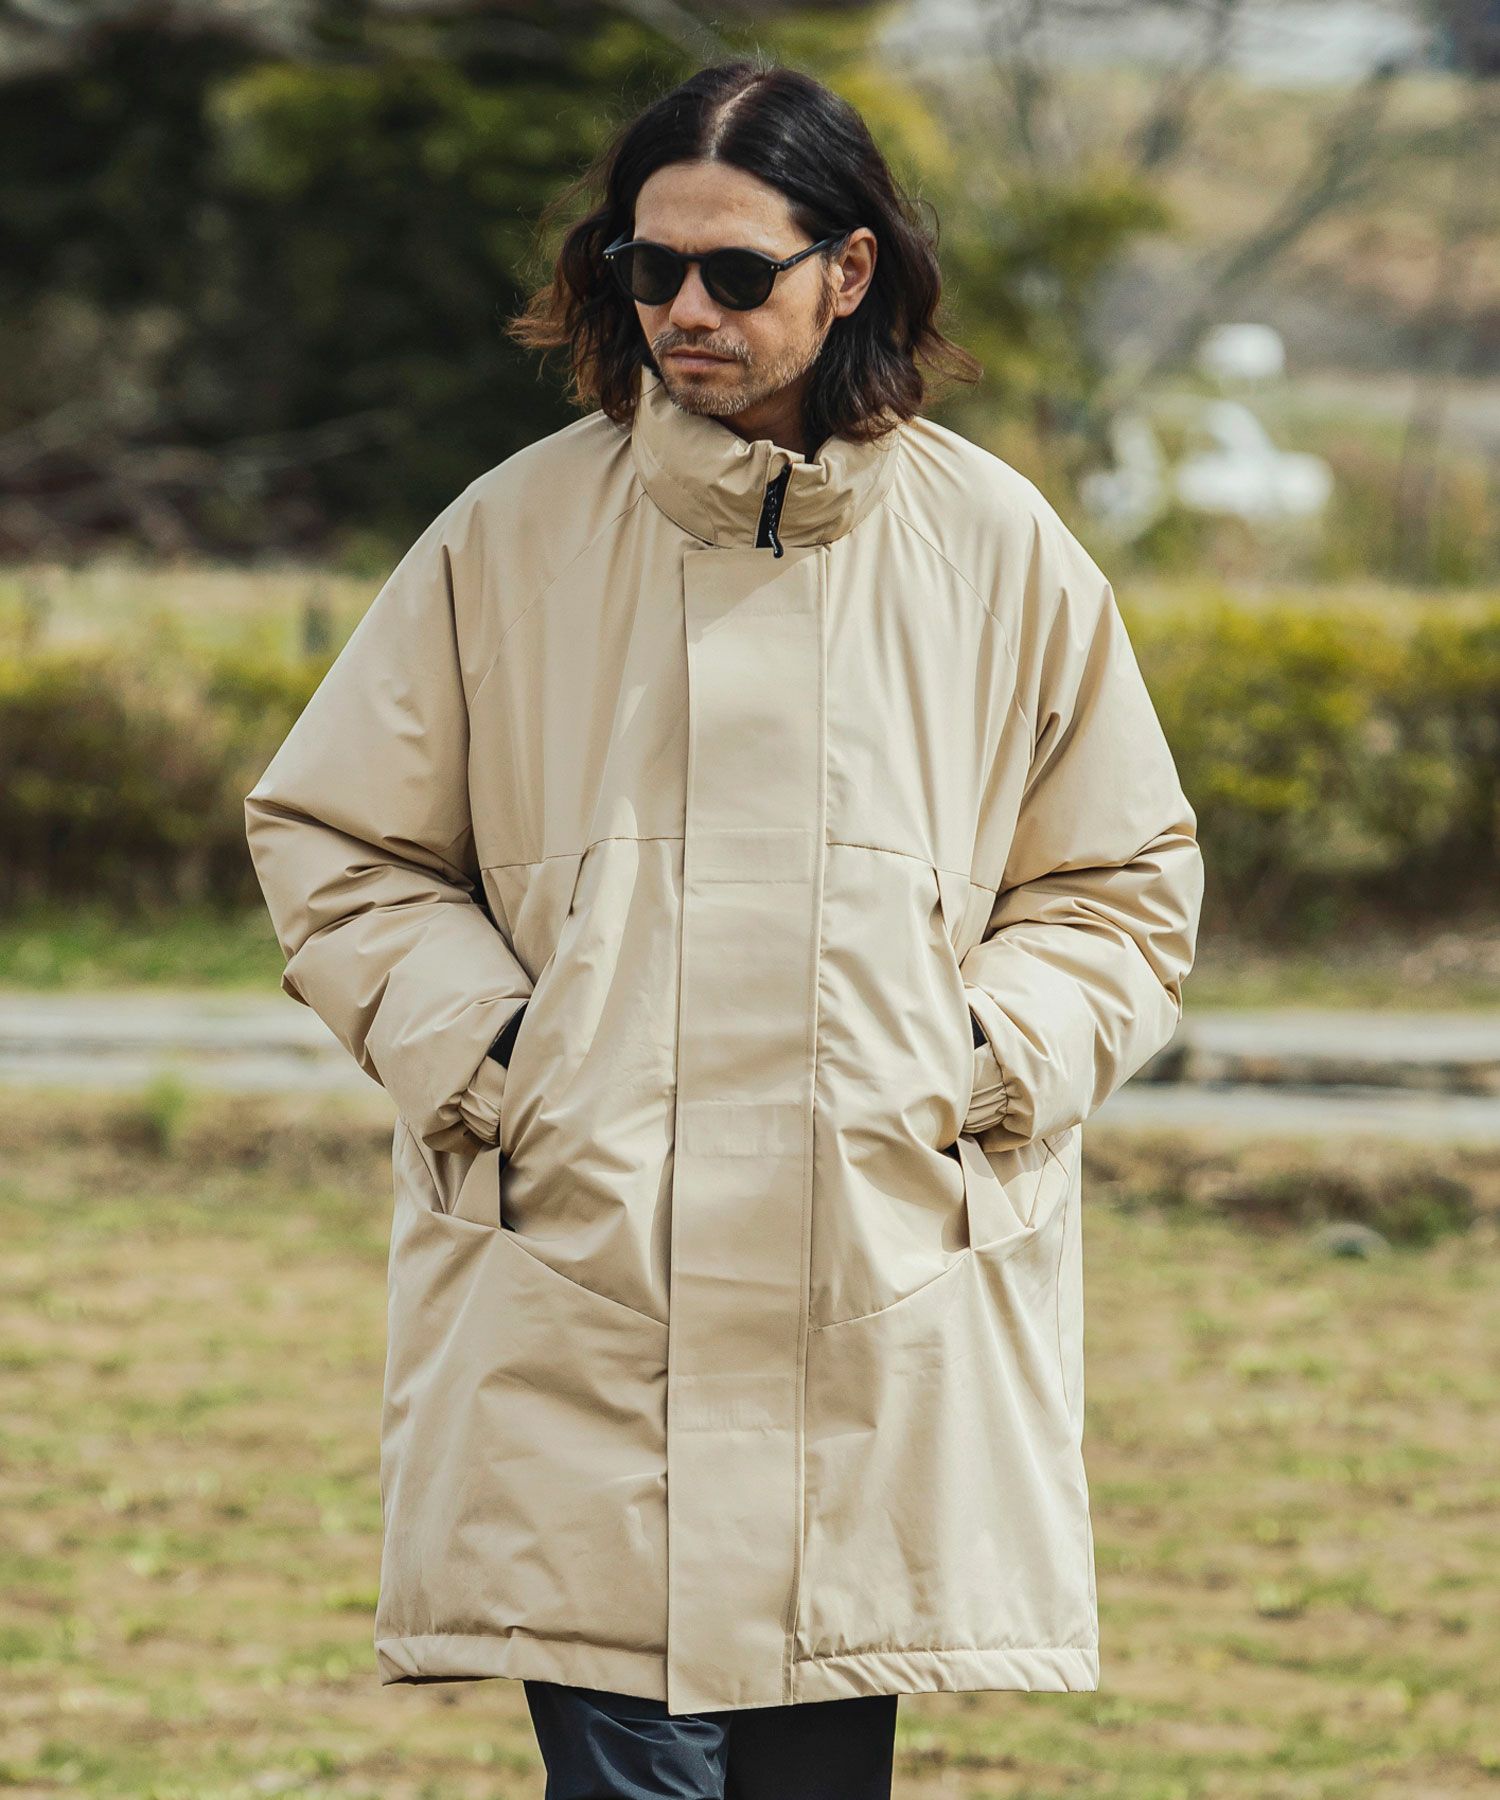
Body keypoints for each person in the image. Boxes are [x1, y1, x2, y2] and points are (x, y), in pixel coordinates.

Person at [243, 56, 1205, 1800]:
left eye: (737, 271)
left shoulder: (999, 550)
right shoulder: (509, 536)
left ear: (848, 272)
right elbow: (338, 835)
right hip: (588, 1278)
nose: (686, 308)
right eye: (651, 264)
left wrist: (981, 1059)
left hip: (877, 1278)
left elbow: (1121, 881)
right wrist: (504, 1056)